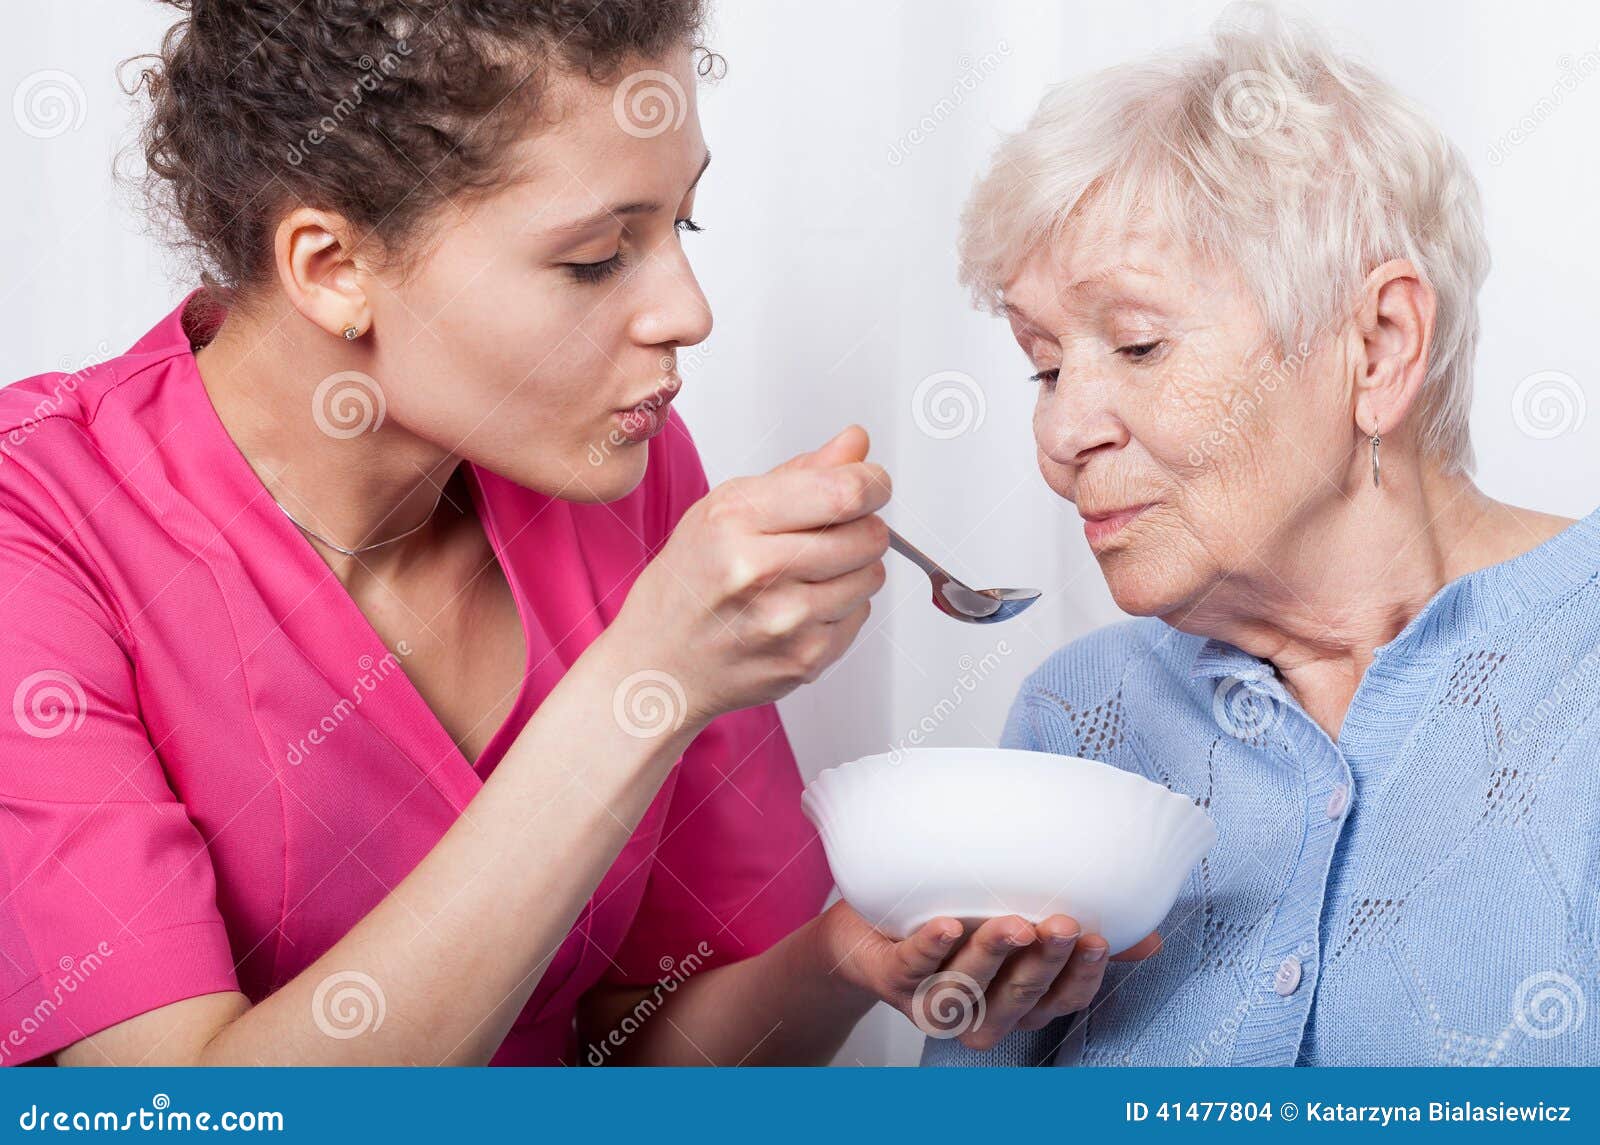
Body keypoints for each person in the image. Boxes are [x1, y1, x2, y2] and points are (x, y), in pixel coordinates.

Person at [0, 0, 1123, 1067]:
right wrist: (647, 681)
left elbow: (628, 1058)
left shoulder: (610, 466)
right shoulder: (38, 525)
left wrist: (842, 958)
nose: (687, 311)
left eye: (680, 221)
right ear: (332, 268)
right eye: (596, 257)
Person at [925, 2, 1599, 1066]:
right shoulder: (1077, 719)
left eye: (1138, 345)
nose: (1059, 432)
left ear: (1377, 349)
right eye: (1044, 365)